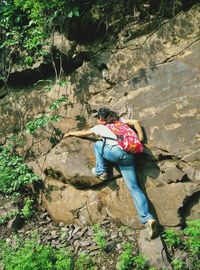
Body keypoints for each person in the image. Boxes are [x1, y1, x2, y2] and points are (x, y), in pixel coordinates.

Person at [64, 107, 157, 239]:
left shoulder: (100, 127)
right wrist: (141, 138)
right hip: (129, 157)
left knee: (97, 144)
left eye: (98, 118)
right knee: (134, 188)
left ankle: (101, 171)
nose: (98, 120)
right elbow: (136, 122)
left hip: (116, 154)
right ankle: (148, 219)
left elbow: (85, 133)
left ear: (101, 119)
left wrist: (70, 133)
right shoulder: (120, 122)